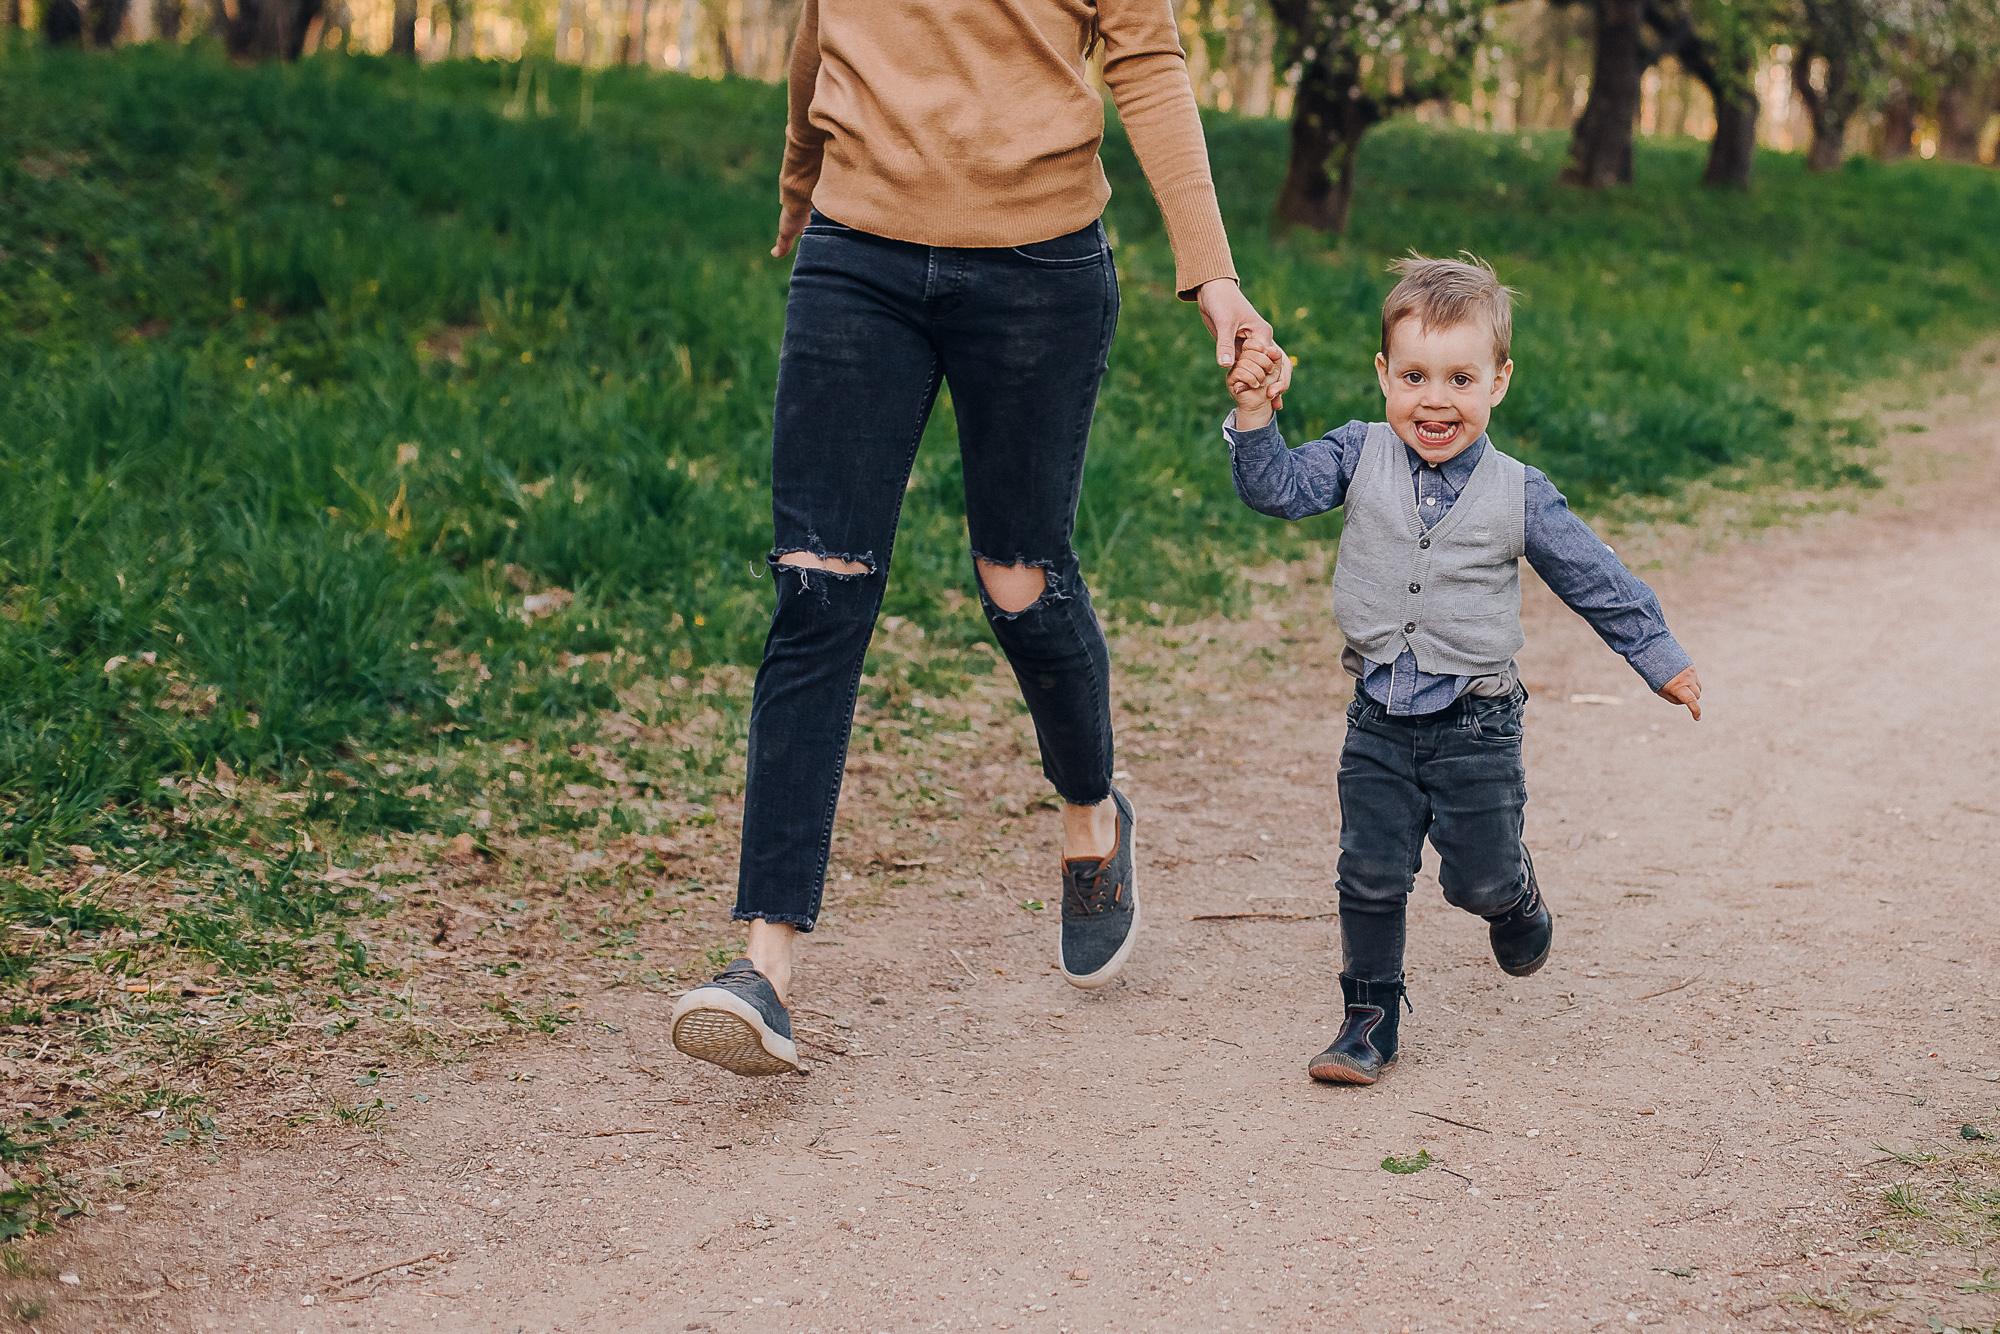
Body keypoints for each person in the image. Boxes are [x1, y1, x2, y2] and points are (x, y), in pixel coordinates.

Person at [668, 0, 1292, 1078]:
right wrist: (798, 180)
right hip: (854, 254)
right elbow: (818, 32)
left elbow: (1145, 62)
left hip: (1035, 272)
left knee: (1020, 579)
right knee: (818, 587)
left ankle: (1092, 811)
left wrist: (1213, 270)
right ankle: (762, 966)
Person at [1222, 255, 1702, 1085]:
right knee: (1369, 871)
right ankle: (1367, 1019)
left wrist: (1657, 657)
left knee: (1472, 881)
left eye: (1459, 378)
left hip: (1476, 723)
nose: (1434, 400)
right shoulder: (1356, 452)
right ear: (1382, 374)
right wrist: (1257, 417)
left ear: (1498, 382)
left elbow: (1593, 575)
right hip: (1377, 715)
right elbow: (1280, 491)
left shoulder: (1520, 492)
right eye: (1413, 375)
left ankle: (1511, 894)